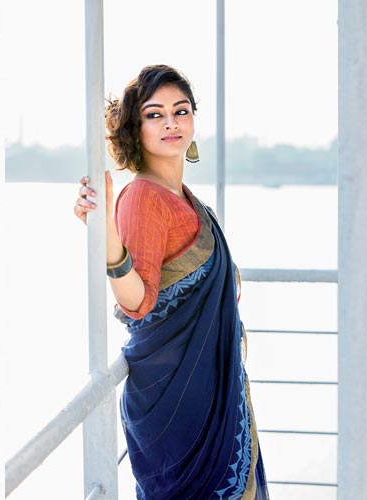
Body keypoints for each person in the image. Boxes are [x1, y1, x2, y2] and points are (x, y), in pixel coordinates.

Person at [74, 64, 269, 499]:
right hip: (176, 404)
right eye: (154, 114)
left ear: (193, 120)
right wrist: (107, 237)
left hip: (212, 391)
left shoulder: (188, 201)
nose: (171, 123)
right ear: (135, 127)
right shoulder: (143, 197)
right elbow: (137, 302)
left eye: (181, 111)